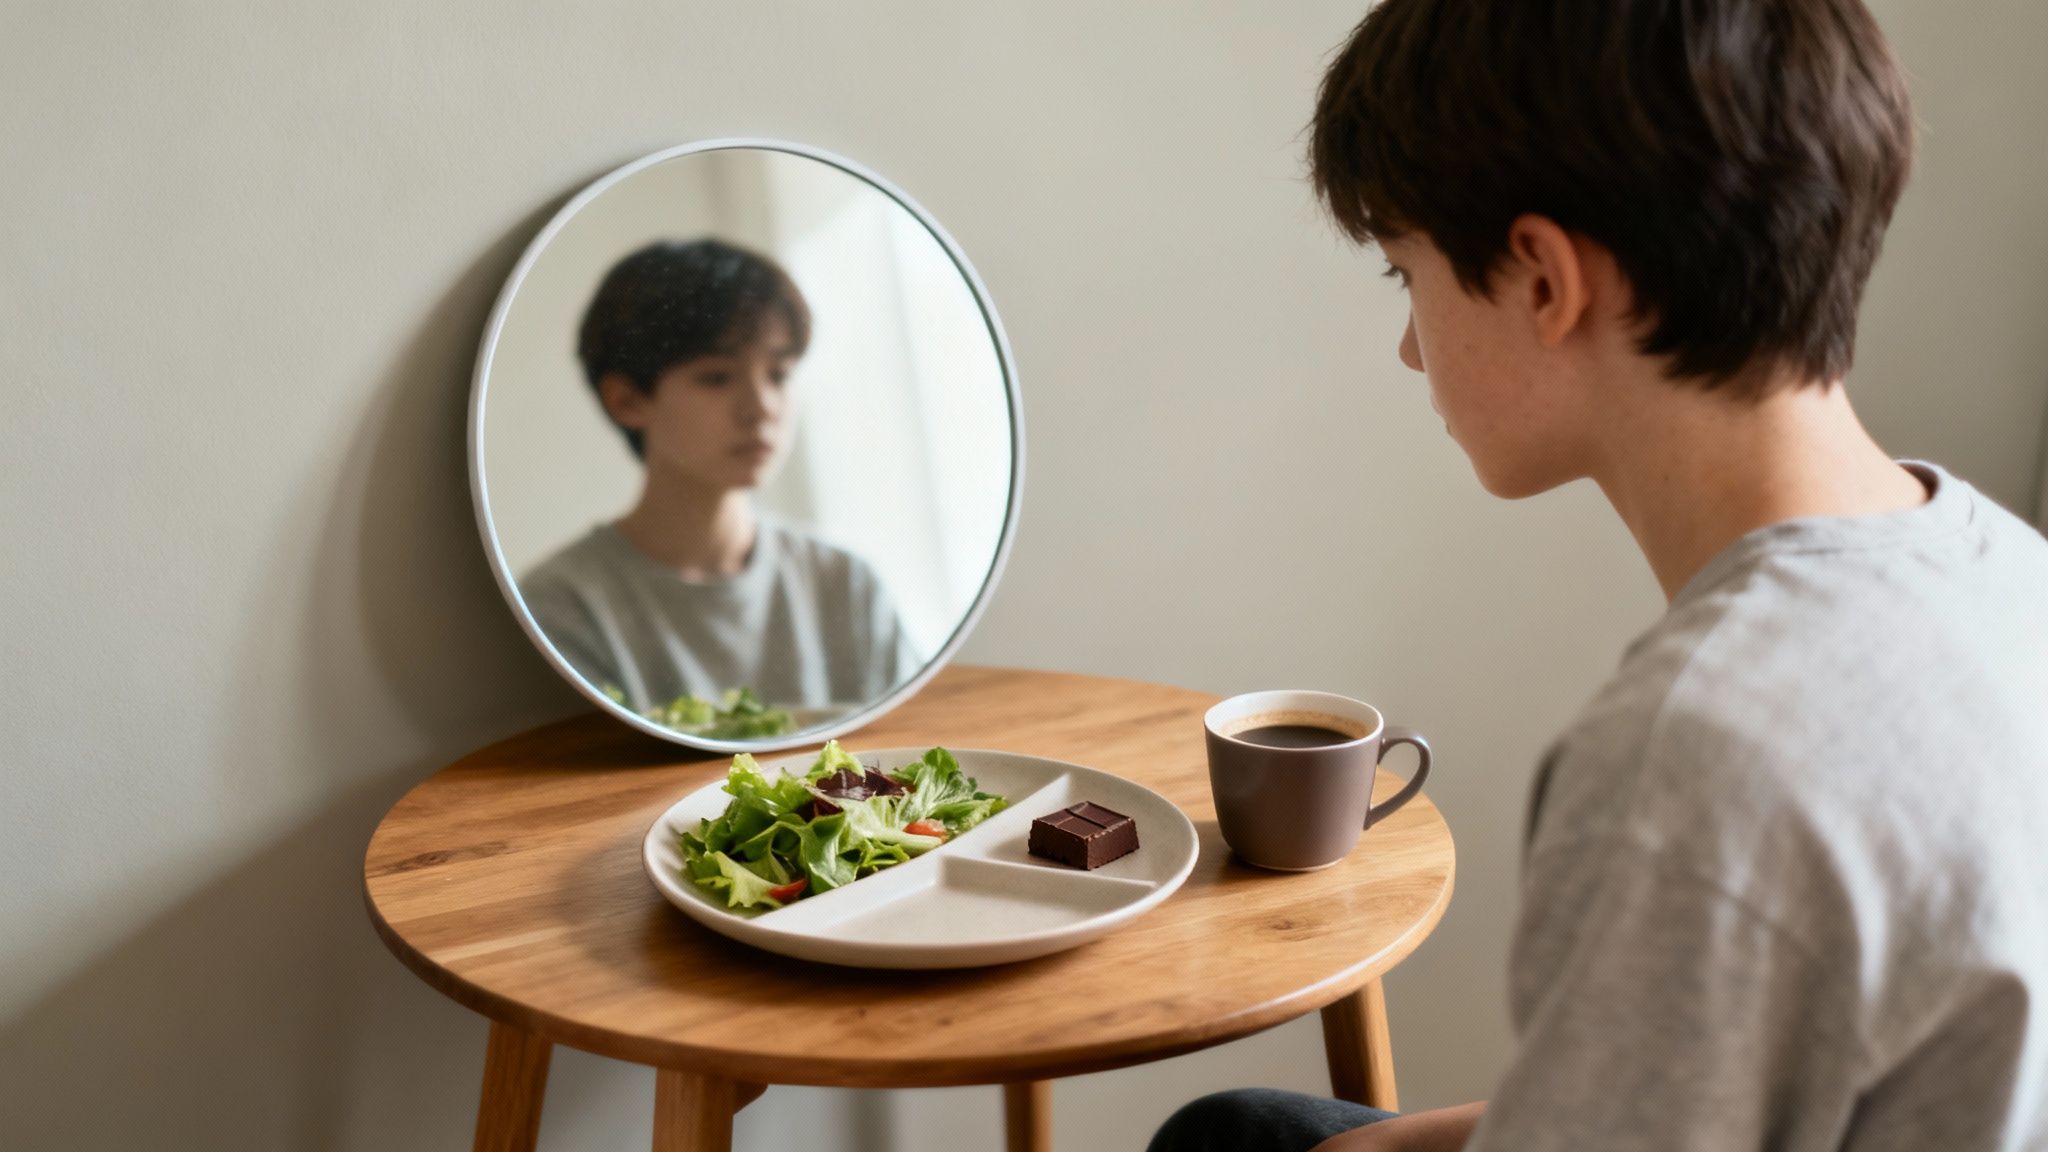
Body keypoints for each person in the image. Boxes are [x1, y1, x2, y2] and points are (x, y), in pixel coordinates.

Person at [1152, 1, 2048, 1150]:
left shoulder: (1697, 756)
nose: (1411, 347)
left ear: (1540, 277)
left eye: (1403, 276)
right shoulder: (2006, 571)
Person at [521, 239, 918, 719]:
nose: (762, 406)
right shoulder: (563, 607)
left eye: (778, 373)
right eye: (716, 377)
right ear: (626, 400)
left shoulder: (846, 584)